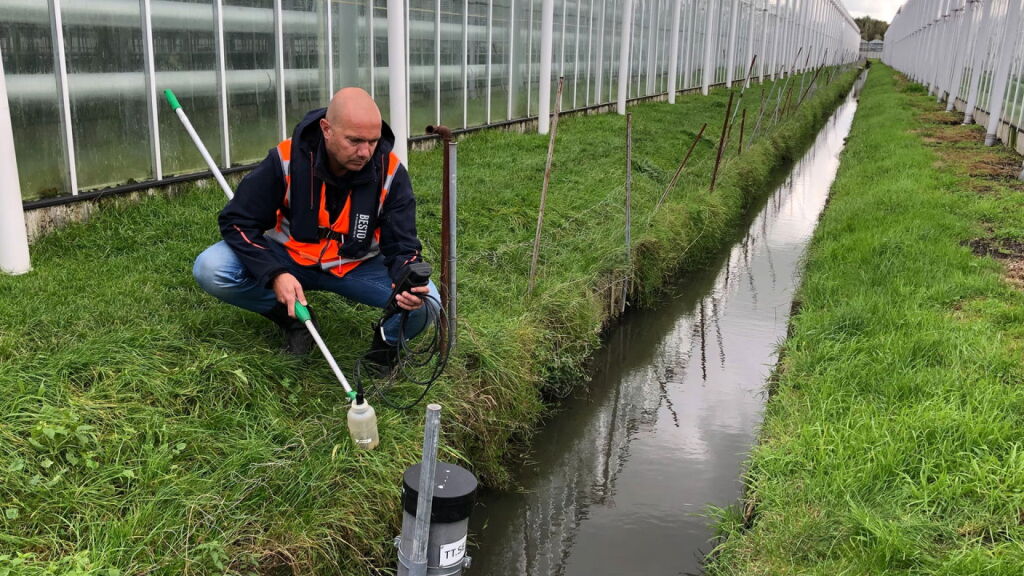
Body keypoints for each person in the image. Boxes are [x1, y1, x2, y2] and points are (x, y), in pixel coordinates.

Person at [193, 87, 439, 372]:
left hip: (355, 266)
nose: (365, 153)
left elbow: (402, 246)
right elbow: (236, 221)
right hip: (288, 258)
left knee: (428, 300)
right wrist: (274, 273)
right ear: (326, 129)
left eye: (373, 142)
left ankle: (384, 347)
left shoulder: (391, 173)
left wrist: (406, 280)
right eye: (355, 140)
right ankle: (296, 320)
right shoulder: (284, 160)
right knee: (210, 268)